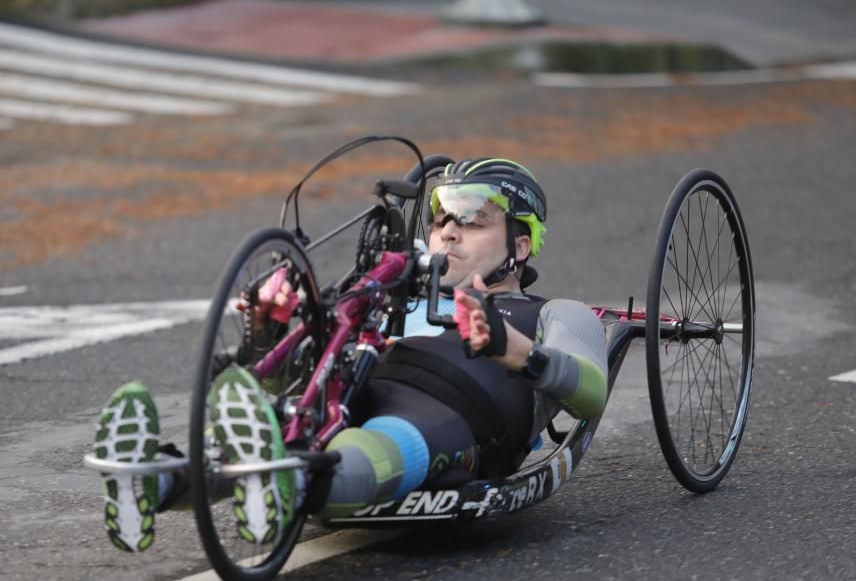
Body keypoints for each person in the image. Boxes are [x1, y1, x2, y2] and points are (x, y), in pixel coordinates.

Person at [93, 158, 609, 552]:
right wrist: (263, 338)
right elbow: (292, 381)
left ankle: (288, 482)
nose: (448, 230)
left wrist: (514, 351)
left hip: (459, 415)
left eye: (474, 219)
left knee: (380, 441)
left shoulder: (551, 312)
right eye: (442, 217)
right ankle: (154, 481)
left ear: (520, 246)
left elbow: (591, 391)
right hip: (363, 390)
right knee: (275, 421)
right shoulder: (395, 293)